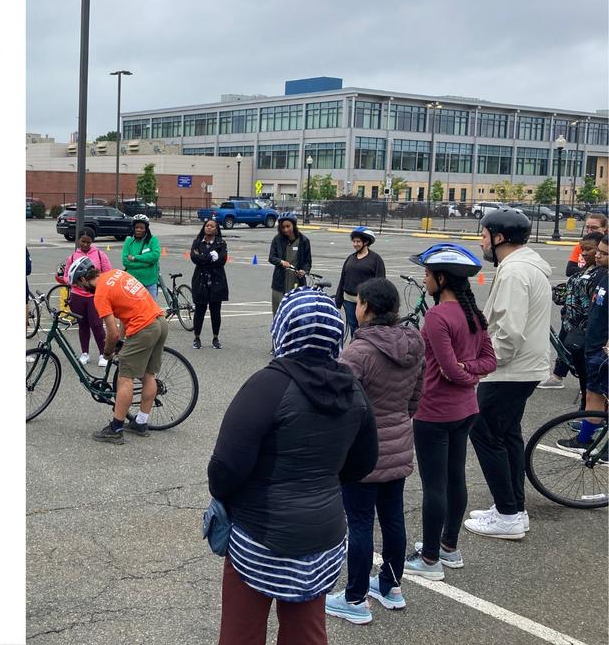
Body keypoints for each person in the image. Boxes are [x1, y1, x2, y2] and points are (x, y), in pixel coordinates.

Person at [209, 287, 377, 644]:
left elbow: (225, 468)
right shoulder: (353, 390)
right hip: (324, 533)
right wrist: (324, 479)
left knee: (242, 632)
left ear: (283, 330)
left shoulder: (267, 384)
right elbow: (364, 461)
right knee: (306, 632)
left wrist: (234, 497)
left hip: (260, 533)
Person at [326, 277, 423, 624]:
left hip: (363, 451)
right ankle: (390, 587)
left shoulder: (359, 351)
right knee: (393, 518)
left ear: (365, 306)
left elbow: (340, 403)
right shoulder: (414, 342)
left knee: (361, 522)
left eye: (359, 302)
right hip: (399, 444)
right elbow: (415, 396)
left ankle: (354, 599)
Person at [402, 243, 496, 580]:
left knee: (435, 486)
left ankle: (428, 560)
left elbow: (450, 370)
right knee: (455, 478)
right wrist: (471, 371)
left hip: (434, 411)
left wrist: (461, 370)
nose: (424, 279)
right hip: (466, 409)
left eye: (427, 274)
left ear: (442, 278)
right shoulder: (473, 314)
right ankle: (448, 547)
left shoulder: (439, 316)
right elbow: (488, 360)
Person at [465, 209, 552, 540]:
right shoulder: (525, 266)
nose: (482, 240)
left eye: (485, 234)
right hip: (522, 369)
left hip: (509, 370)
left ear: (500, 237)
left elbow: (509, 333)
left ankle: (507, 514)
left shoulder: (515, 272)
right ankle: (514, 508)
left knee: (484, 433)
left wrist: (480, 364)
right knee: (507, 435)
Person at [67, 256, 168, 443]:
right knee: (148, 375)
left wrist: (107, 352)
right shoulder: (116, 274)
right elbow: (124, 314)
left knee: (125, 378)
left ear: (83, 279)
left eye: (78, 285)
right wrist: (121, 340)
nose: (80, 289)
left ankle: (116, 428)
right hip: (159, 321)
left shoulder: (100, 294)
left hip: (144, 328)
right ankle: (141, 422)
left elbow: (111, 332)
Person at [543, 213, 607, 387]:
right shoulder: (585, 256)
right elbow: (570, 269)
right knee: (570, 348)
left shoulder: (601, 273)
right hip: (572, 320)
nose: (585, 253)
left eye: (594, 228)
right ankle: (559, 376)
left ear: (604, 229)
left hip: (590, 328)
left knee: (590, 371)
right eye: (588, 227)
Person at [568, 237, 608, 450]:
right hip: (593, 345)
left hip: (604, 349)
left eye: (604, 253)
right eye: (599, 251)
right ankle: (584, 439)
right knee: (593, 394)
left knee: (601, 395)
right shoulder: (601, 275)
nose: (598, 255)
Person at [61, 234, 112, 366]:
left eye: (88, 242)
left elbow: (107, 273)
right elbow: (66, 276)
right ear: (78, 241)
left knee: (97, 325)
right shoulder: (72, 256)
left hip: (95, 296)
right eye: (83, 242)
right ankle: (85, 353)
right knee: (82, 325)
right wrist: (74, 283)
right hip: (77, 296)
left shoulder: (100, 255)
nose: (85, 245)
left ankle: (103, 354)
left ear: (92, 242)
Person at [334, 226, 386, 340]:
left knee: (365, 328)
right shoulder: (350, 258)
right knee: (353, 327)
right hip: (349, 300)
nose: (355, 244)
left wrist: (377, 302)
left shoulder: (376, 259)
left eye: (358, 241)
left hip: (366, 302)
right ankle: (355, 348)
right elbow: (343, 279)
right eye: (354, 241)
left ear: (366, 242)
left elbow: (381, 282)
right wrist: (338, 300)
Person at [189, 218, 229, 350]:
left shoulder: (221, 243)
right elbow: (194, 258)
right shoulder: (197, 242)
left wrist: (206, 258)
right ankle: (197, 337)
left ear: (217, 229)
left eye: (212, 226)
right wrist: (209, 257)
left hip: (216, 280)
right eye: (207, 226)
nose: (209, 228)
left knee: (215, 311)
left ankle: (215, 337)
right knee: (199, 310)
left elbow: (221, 260)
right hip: (200, 280)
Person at [268, 212, 312, 315]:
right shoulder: (277, 239)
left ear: (294, 225)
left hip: (296, 281)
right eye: (283, 227)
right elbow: (271, 257)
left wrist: (304, 271)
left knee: (295, 312)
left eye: (288, 226)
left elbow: (307, 261)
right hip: (279, 282)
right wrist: (281, 262)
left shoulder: (303, 241)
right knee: (278, 312)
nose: (285, 230)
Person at [121, 214, 161, 300]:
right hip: (133, 284)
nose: (139, 230)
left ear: (146, 229)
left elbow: (155, 256)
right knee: (133, 309)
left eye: (142, 228)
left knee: (151, 310)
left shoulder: (153, 240)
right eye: (137, 227)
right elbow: (125, 262)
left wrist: (135, 258)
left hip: (150, 282)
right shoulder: (128, 241)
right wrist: (147, 264)